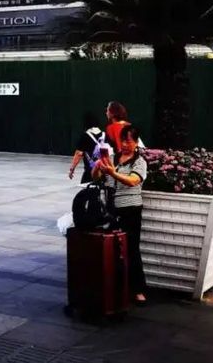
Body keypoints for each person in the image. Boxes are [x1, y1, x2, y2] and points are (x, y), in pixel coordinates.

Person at [93, 124, 148, 303]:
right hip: (110, 209)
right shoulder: (111, 158)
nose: (125, 144)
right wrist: (97, 167)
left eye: (129, 141)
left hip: (130, 210)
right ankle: (114, 289)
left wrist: (113, 173)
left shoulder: (139, 162)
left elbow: (133, 181)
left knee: (131, 250)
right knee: (110, 250)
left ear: (136, 143)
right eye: (123, 140)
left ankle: (138, 290)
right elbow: (96, 178)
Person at [68, 112, 109, 183]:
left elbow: (79, 154)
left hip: (90, 171)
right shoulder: (104, 135)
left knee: (86, 188)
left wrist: (72, 169)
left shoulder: (85, 136)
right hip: (104, 171)